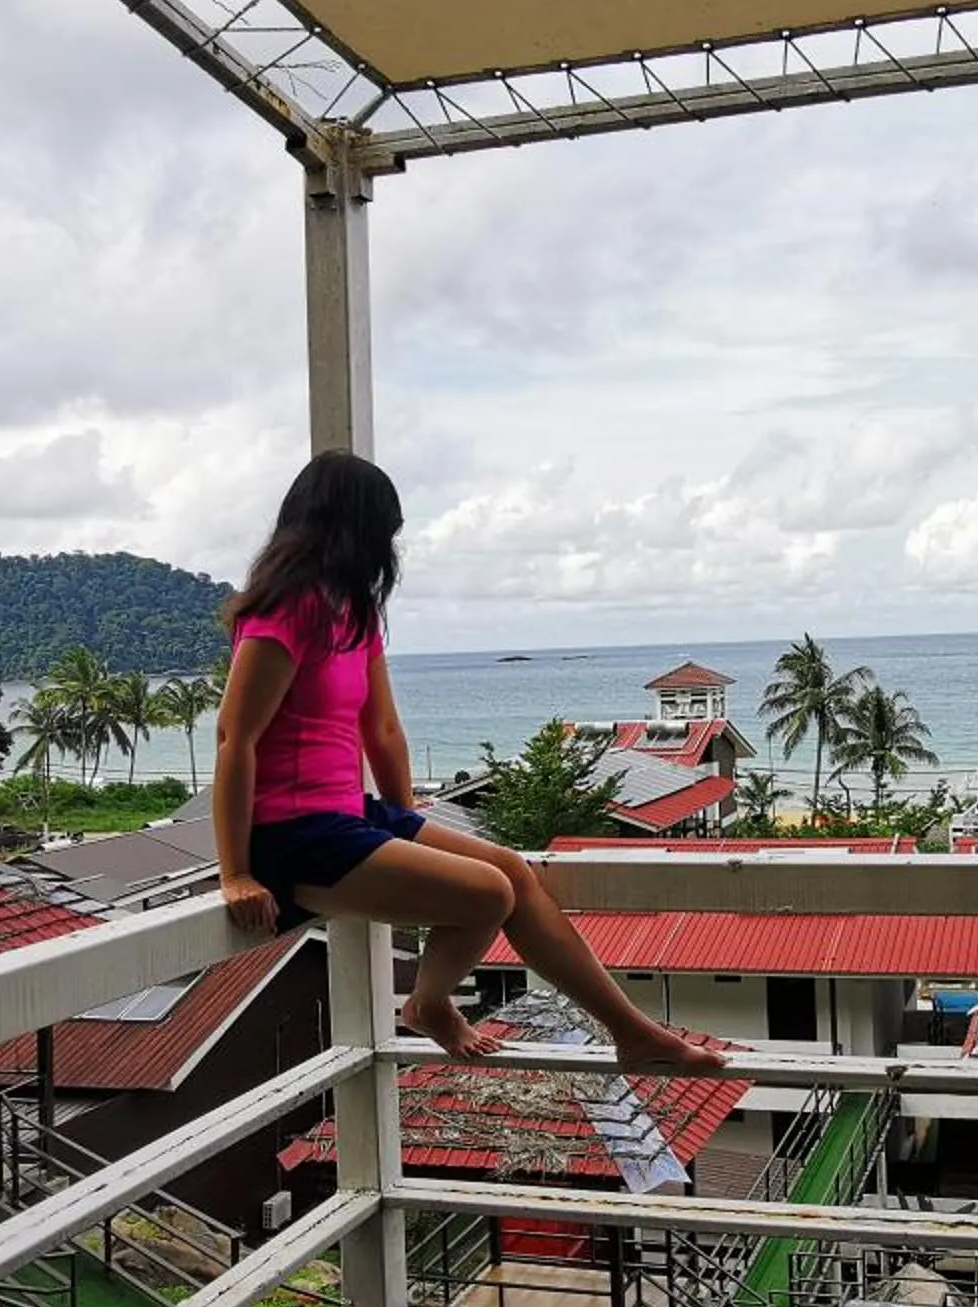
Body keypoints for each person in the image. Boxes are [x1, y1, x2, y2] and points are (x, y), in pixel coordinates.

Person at [212, 450, 732, 1074]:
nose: (389, 551)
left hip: (350, 817)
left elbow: (381, 728)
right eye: (384, 534)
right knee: (487, 892)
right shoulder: (283, 612)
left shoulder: (351, 613)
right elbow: (232, 739)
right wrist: (236, 872)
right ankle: (429, 1005)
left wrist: (403, 819)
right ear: (350, 528)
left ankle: (631, 1030)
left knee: (513, 869)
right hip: (290, 835)